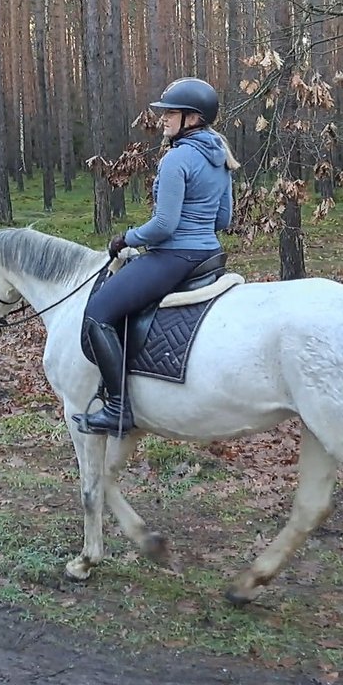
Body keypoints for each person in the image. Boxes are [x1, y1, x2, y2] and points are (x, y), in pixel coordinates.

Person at [73, 77, 238, 437]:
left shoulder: (177, 158)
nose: (163, 118)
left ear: (192, 118)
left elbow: (164, 225)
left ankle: (117, 408)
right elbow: (224, 219)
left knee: (98, 313)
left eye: (171, 113)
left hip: (175, 256)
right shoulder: (220, 156)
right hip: (209, 255)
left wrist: (126, 238)